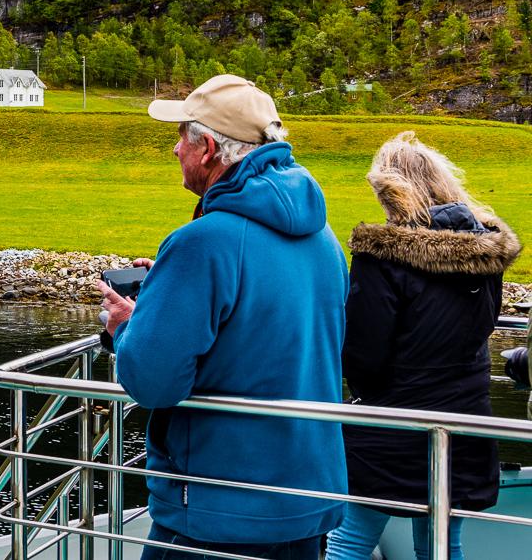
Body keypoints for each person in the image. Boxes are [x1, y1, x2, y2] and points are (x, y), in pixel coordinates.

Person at [98, 74, 348, 560]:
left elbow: (153, 382)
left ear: (208, 147)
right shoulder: (324, 239)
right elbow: (267, 330)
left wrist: (127, 324)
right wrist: (167, 295)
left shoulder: (203, 242)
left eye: (180, 137)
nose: (175, 150)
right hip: (306, 501)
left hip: (219, 512)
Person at [324, 132, 520, 560]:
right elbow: (483, 326)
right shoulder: (487, 250)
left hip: (395, 425)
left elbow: (364, 357)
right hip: (467, 419)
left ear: (391, 189)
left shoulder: (383, 254)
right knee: (442, 545)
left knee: (349, 540)